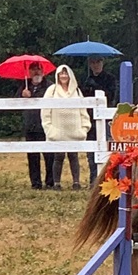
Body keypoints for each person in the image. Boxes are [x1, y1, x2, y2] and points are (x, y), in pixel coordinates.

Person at [42, 65, 91, 190]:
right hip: (57, 131)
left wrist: (84, 128)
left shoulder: (77, 91)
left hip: (74, 131)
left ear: (70, 75)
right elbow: (45, 111)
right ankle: (57, 183)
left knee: (73, 156)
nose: (63, 76)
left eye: (66, 73)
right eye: (61, 74)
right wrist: (49, 129)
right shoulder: (51, 90)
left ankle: (76, 182)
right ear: (57, 76)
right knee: (58, 157)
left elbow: (83, 110)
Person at [80, 55, 117, 186]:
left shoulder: (110, 79)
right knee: (91, 152)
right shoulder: (86, 80)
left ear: (102, 62)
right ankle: (93, 180)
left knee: (107, 148)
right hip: (90, 119)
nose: (96, 65)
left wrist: (96, 88)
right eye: (93, 62)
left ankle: (107, 178)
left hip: (106, 118)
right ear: (90, 64)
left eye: (98, 62)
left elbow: (111, 97)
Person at [18, 64, 54, 190]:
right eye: (33, 69)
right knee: (33, 156)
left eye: (39, 69)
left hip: (46, 125)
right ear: (29, 72)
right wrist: (22, 96)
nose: (36, 72)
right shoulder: (25, 86)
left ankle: (50, 182)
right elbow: (15, 102)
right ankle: (36, 183)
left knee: (49, 156)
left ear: (43, 71)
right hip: (30, 125)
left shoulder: (50, 86)